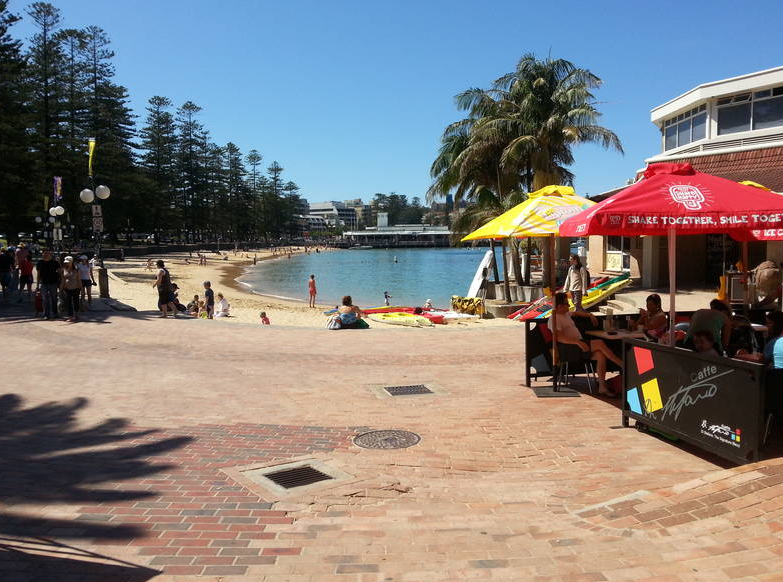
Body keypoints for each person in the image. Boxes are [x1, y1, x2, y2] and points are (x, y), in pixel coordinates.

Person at [553, 292, 624, 397]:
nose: (569, 305)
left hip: (579, 346)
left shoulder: (566, 314)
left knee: (600, 355)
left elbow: (576, 313)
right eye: (566, 303)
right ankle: (622, 365)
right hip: (570, 349)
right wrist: (577, 342)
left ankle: (602, 387)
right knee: (599, 343)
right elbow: (559, 337)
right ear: (559, 306)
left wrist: (589, 315)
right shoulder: (554, 319)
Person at [36, 249, 61, 319]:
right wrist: (37, 285)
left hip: (53, 283)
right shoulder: (40, 262)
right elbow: (38, 274)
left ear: (50, 254)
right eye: (45, 253)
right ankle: (46, 314)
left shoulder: (55, 262)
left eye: (48, 253)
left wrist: (61, 283)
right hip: (43, 283)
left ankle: (55, 313)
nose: (46, 255)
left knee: (54, 299)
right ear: (42, 254)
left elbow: (60, 272)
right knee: (44, 299)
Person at [60, 256, 82, 322]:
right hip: (67, 289)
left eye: (68, 262)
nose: (66, 264)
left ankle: (77, 315)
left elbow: (79, 280)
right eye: (66, 262)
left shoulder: (76, 269)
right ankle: (70, 316)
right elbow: (63, 280)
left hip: (76, 288)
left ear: (71, 262)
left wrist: (82, 289)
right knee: (68, 303)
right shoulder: (63, 269)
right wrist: (61, 289)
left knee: (76, 302)